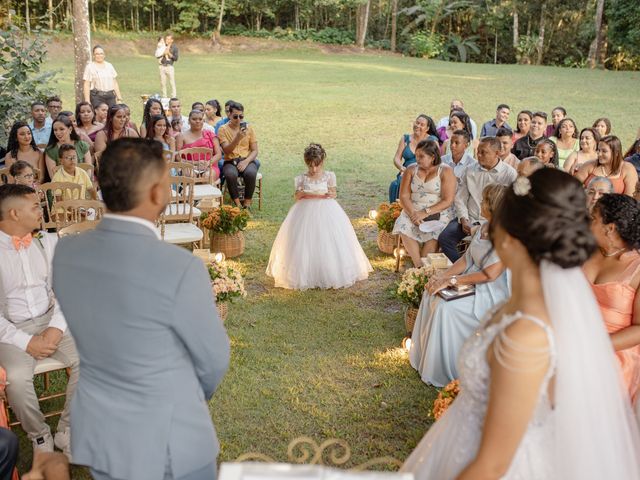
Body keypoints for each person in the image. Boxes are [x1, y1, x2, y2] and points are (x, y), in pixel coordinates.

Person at [402, 168, 640, 480]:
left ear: (510, 238)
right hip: (460, 447)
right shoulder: (515, 311)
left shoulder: (527, 335)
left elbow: (493, 466)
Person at [53, 138, 230, 480]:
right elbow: (213, 361)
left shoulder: (66, 254)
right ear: (156, 193)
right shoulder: (180, 267)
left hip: (102, 433)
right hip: (169, 437)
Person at [0, 184, 79, 459]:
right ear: (13, 213)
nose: (41, 210)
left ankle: (67, 429)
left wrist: (55, 329)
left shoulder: (49, 241)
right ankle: (40, 435)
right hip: (10, 330)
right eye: (34, 206)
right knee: (17, 380)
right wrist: (27, 341)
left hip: (51, 319)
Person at [409, 184, 510, 386]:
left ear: (493, 206)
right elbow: (465, 261)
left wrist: (452, 280)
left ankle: (446, 368)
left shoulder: (506, 237)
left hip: (492, 292)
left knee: (447, 308)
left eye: (484, 200)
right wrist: (442, 277)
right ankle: (423, 358)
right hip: (471, 280)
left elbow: (490, 274)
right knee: (432, 292)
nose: (480, 203)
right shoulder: (483, 226)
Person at [266, 143, 372, 289]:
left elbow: (333, 193)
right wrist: (307, 193)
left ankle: (328, 270)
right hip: (304, 212)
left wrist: (331, 194)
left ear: (322, 162)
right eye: (310, 166)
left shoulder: (329, 176)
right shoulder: (302, 178)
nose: (314, 169)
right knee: (305, 241)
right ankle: (304, 272)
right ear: (306, 164)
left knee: (327, 240)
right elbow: (297, 196)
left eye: (317, 165)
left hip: (327, 210)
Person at [584, 194, 640, 404]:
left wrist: (594, 345)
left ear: (610, 228)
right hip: (573, 335)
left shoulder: (637, 267)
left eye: (593, 218)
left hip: (614, 350)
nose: (587, 222)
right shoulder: (585, 251)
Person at [438, 137, 517, 262]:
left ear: (497, 153)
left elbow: (513, 205)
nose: (479, 155)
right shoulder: (470, 169)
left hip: (494, 223)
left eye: (483, 152)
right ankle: (462, 271)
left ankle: (475, 271)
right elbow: (460, 198)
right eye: (478, 151)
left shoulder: (510, 174)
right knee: (445, 238)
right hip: (469, 219)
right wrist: (464, 219)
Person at [392, 140, 455, 266]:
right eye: (416, 156)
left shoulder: (445, 171)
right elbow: (404, 196)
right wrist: (413, 214)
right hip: (413, 209)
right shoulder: (411, 169)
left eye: (421, 156)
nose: (417, 159)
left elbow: (448, 200)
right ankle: (419, 266)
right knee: (403, 224)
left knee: (436, 230)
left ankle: (425, 266)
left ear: (432, 157)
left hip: (437, 210)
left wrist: (425, 212)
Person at [218, 102, 259, 209]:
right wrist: (237, 138)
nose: (238, 119)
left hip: (246, 159)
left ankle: (247, 203)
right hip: (230, 160)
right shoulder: (223, 129)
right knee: (230, 175)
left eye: (241, 116)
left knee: (251, 173)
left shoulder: (249, 128)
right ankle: (237, 205)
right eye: (235, 116)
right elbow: (226, 151)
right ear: (229, 115)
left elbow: (255, 150)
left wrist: (246, 162)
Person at [389, 115, 439, 202]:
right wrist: (401, 168)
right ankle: (396, 210)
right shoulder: (405, 138)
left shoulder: (432, 141)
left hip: (424, 173)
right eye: (417, 123)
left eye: (422, 124)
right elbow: (397, 158)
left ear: (427, 128)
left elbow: (437, 161)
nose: (418, 126)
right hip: (406, 171)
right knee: (395, 184)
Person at [176, 110, 222, 181]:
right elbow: (178, 157)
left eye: (200, 119)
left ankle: (210, 192)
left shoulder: (210, 135)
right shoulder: (181, 137)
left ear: (203, 121)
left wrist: (207, 163)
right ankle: (190, 192)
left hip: (210, 166)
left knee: (207, 176)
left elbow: (218, 154)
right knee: (191, 176)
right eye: (194, 119)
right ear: (189, 121)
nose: (198, 121)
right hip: (189, 166)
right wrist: (195, 164)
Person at [155, 32, 179, 98]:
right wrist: (163, 53)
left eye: (169, 39)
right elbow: (157, 56)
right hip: (162, 66)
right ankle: (164, 96)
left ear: (172, 40)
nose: (167, 40)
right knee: (163, 83)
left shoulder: (175, 48)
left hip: (169, 67)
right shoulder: (162, 46)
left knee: (172, 82)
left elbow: (176, 58)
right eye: (166, 39)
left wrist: (169, 53)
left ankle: (173, 96)